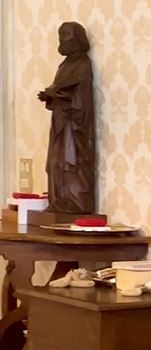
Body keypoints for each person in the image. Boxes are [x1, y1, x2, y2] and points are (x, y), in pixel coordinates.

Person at [38, 21, 96, 214]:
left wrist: (57, 95)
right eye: (61, 38)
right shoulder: (64, 66)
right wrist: (50, 96)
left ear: (77, 40)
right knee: (55, 162)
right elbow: (61, 90)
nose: (63, 42)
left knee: (71, 162)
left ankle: (75, 202)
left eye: (67, 38)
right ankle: (58, 200)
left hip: (73, 124)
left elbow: (81, 99)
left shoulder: (83, 64)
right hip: (60, 121)